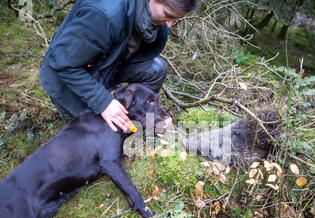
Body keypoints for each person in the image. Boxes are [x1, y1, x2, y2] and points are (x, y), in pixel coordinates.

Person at [39, 0, 197, 132]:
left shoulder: (152, 22)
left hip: (106, 67)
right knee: (95, 133)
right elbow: (62, 63)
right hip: (68, 78)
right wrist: (103, 101)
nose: (169, 25)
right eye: (168, 15)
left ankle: (140, 119)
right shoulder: (104, 15)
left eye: (175, 19)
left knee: (156, 69)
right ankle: (94, 115)